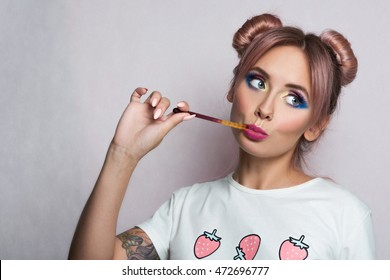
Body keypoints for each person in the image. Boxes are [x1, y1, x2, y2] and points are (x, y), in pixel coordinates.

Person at [68, 14, 375, 260]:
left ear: (316, 125)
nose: (265, 109)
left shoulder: (345, 216)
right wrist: (122, 155)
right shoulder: (185, 207)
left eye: (294, 98)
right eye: (257, 82)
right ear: (232, 88)